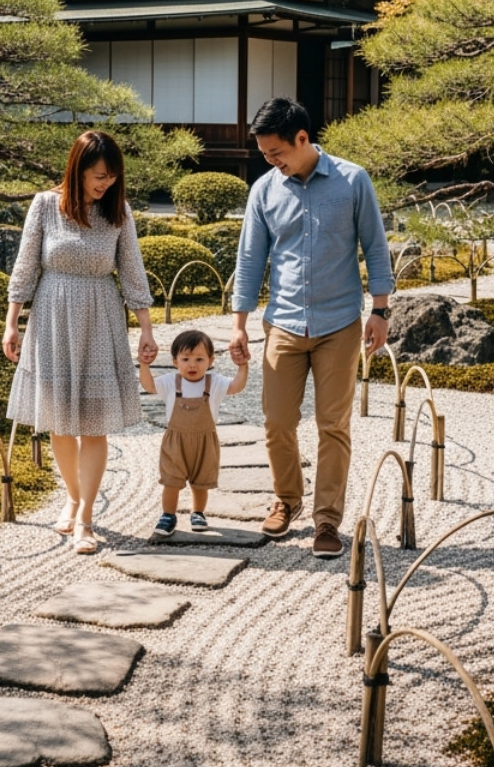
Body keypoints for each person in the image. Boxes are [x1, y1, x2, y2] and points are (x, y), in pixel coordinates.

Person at [229, 97, 394, 559]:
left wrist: (380, 310)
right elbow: (250, 259)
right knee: (277, 420)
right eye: (265, 154)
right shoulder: (264, 190)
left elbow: (375, 246)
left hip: (339, 323)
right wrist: (239, 325)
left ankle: (327, 520)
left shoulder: (352, 180)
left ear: (302, 138)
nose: (271, 161)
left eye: (276, 152)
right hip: (282, 323)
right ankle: (287, 499)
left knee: (333, 424)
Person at [4, 130, 158, 554]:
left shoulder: (118, 212)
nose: (106, 183)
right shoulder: (44, 206)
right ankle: (72, 497)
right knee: (58, 421)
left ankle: (86, 517)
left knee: (92, 424)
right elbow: (25, 267)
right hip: (52, 317)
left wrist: (146, 329)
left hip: (100, 318)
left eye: (112, 176)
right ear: (77, 170)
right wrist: (12, 323)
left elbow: (132, 272)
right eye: (99, 175)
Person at [139, 329, 249, 539]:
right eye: (185, 359)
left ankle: (198, 513)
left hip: (205, 441)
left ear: (211, 360)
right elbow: (149, 386)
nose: (192, 365)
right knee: (171, 480)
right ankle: (168, 515)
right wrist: (144, 365)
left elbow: (236, 387)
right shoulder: (170, 382)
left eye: (199, 359)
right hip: (175, 441)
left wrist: (243, 366)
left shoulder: (214, 382)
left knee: (201, 481)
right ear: (175, 361)